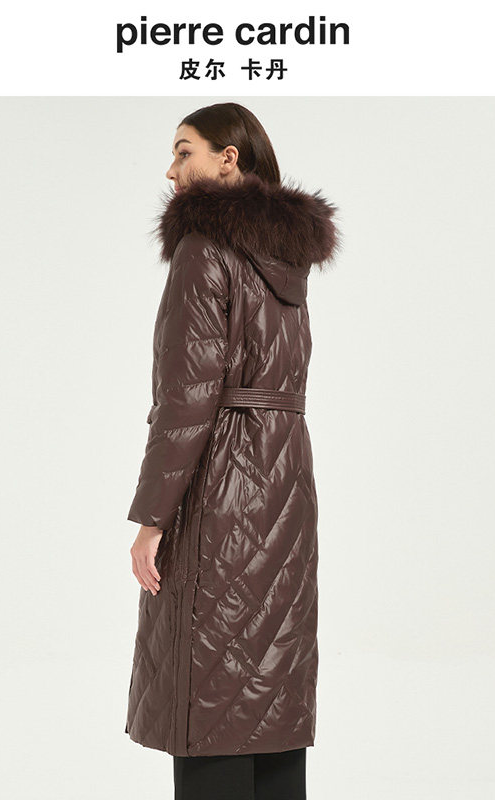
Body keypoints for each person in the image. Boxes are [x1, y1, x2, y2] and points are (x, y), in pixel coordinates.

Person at [124, 102, 340, 800]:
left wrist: (152, 518)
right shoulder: (286, 261)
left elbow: (186, 398)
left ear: (228, 159)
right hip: (286, 487)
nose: (171, 170)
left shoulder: (203, 248)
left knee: (208, 694)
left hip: (218, 491)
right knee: (270, 697)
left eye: (183, 151)